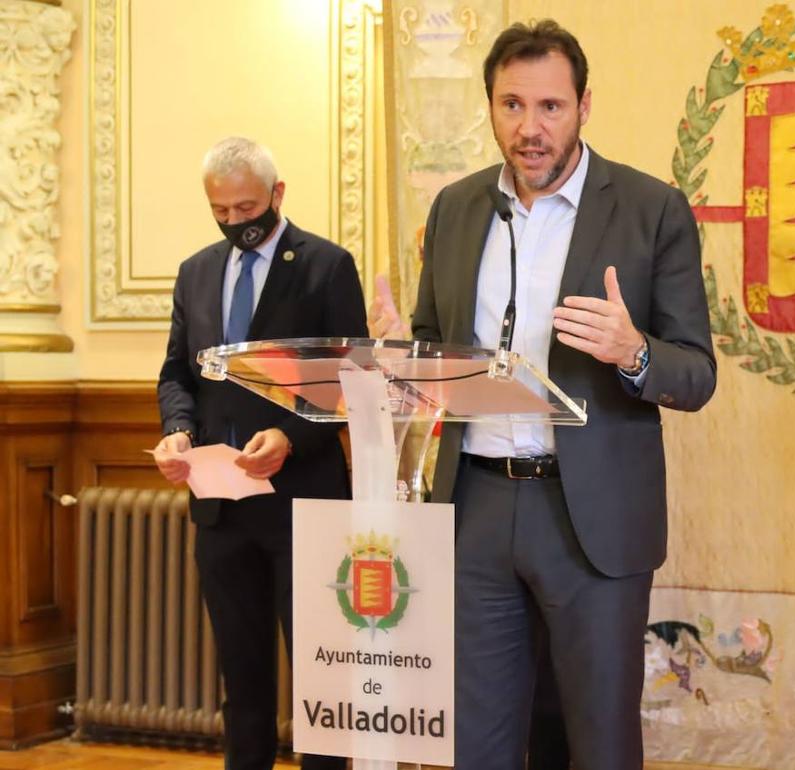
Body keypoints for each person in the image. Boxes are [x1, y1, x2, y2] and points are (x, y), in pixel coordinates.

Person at [408, 19, 716, 770]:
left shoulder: (651, 209)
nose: (530, 128)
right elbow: (430, 338)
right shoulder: (455, 207)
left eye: (550, 107)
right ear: (490, 107)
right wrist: (402, 356)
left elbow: (696, 373)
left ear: (585, 106)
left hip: (592, 518)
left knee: (599, 743)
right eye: (511, 105)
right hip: (474, 508)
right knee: (474, 743)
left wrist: (633, 351)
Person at [153, 137, 367, 770]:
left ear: (277, 194)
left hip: (305, 502)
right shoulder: (195, 272)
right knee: (241, 683)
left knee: (323, 681)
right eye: (220, 212)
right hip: (222, 508)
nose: (235, 222)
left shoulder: (327, 266)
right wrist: (179, 429)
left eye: (246, 207)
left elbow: (348, 383)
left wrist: (290, 438)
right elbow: (176, 374)